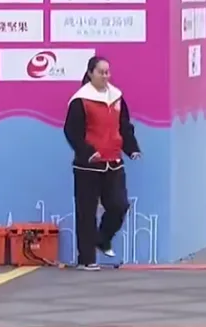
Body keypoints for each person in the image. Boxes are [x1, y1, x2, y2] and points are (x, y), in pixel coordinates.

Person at [63, 56, 140, 271]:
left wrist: (132, 148)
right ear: (90, 74)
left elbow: (124, 126)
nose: (105, 76)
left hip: (113, 162)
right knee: (86, 213)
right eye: (101, 72)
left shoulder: (116, 97)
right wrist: (87, 152)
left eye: (107, 72)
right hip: (88, 166)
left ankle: (102, 238)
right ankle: (86, 259)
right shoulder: (80, 100)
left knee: (119, 205)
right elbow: (72, 131)